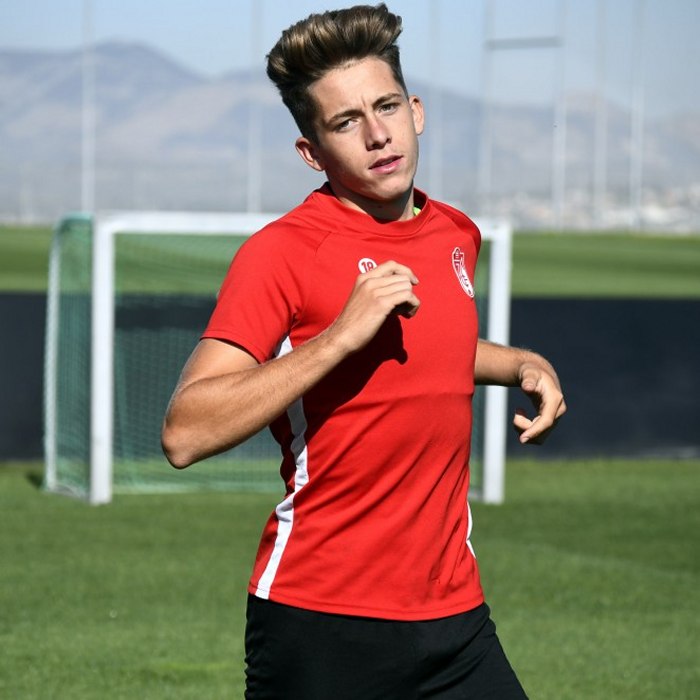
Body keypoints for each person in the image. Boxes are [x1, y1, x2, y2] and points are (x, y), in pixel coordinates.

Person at [161, 4, 566, 698]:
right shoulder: (281, 254)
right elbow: (184, 432)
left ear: (416, 111)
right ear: (312, 152)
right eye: (346, 122)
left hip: (454, 618)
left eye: (386, 107)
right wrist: (338, 338)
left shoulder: (455, 233)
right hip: (322, 624)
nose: (378, 135)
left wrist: (523, 364)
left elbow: (429, 347)